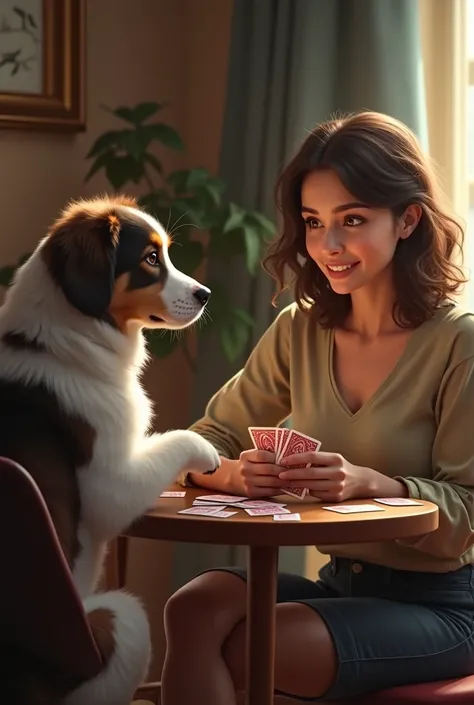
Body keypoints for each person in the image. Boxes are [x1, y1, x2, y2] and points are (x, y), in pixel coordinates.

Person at [161, 111, 474, 703]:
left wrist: (370, 484)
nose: (327, 246)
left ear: (408, 220)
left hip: (447, 606)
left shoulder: (460, 342)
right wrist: (233, 472)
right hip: (342, 585)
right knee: (194, 606)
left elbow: (467, 515)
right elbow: (205, 440)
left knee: (257, 645)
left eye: (351, 220)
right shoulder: (299, 332)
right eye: (312, 222)